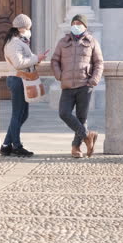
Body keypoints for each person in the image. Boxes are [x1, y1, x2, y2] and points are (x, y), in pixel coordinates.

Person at [51, 14, 104, 158]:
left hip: (84, 85)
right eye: (74, 22)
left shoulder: (92, 41)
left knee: (81, 118)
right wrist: (59, 75)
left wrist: (93, 81)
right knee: (64, 113)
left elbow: (99, 63)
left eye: (79, 23)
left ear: (85, 26)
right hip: (67, 85)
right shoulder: (63, 41)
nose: (76, 25)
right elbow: (54, 60)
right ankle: (88, 136)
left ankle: (76, 148)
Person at [0, 14, 46, 157]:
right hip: (17, 80)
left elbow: (26, 59)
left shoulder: (20, 41)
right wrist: (36, 58)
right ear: (23, 27)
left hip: (22, 80)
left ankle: (6, 145)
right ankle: (17, 146)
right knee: (18, 114)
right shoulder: (14, 43)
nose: (29, 29)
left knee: (22, 114)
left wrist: (35, 59)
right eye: (28, 27)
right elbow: (19, 63)